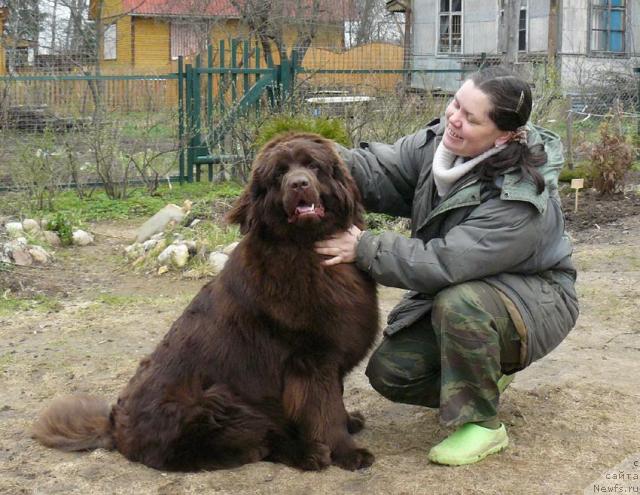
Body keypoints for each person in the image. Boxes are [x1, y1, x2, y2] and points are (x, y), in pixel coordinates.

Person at [314, 67, 579, 466]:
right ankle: (484, 373)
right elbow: (384, 170)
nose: (454, 118)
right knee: (392, 372)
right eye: (456, 104)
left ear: (504, 135)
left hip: (535, 298)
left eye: (471, 118)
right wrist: (318, 159)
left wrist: (365, 248)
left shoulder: (520, 198)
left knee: (460, 302)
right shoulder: (442, 144)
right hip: (472, 286)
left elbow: (446, 261)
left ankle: (483, 425)